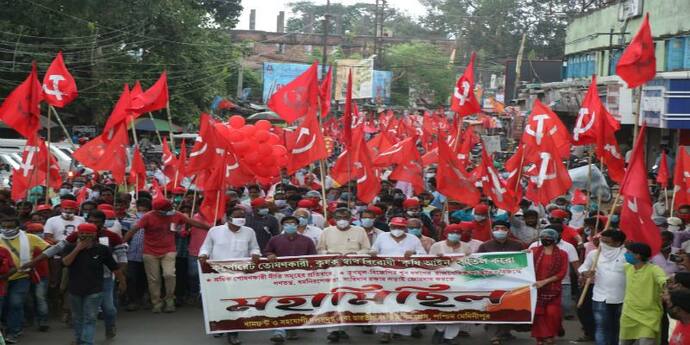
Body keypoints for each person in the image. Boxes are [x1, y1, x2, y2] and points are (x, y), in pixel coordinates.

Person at [123, 198, 210, 313]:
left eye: (170, 208)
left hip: (169, 249)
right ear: (157, 210)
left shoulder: (176, 214)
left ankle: (169, 300)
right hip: (150, 251)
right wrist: (122, 242)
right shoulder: (148, 216)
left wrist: (212, 228)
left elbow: (193, 222)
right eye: (166, 209)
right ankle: (156, 303)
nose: (170, 211)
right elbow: (133, 230)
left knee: (169, 274)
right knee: (154, 279)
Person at [198, 206, 261, 345]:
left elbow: (254, 247)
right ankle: (220, 323)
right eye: (238, 216)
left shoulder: (249, 232)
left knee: (235, 302)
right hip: (217, 273)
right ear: (228, 217)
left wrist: (255, 254)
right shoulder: (215, 231)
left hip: (240, 274)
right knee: (218, 301)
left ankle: (233, 332)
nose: (241, 219)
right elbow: (206, 247)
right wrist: (203, 255)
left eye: (243, 216)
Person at [61, 223, 126, 345]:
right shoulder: (70, 247)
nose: (85, 235)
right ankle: (79, 340)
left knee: (90, 318)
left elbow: (114, 267)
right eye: (82, 233)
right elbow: (65, 263)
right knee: (77, 318)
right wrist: (78, 249)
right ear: (78, 234)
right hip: (75, 289)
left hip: (94, 289)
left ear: (94, 234)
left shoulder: (102, 249)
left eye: (88, 233)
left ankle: (87, 342)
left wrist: (122, 282)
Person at [317, 207, 371, 343]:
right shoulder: (326, 231)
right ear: (334, 219)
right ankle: (333, 330)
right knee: (332, 299)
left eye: (345, 218)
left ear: (350, 219)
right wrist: (327, 254)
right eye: (339, 218)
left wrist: (356, 254)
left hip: (353, 271)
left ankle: (344, 328)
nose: (342, 220)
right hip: (332, 271)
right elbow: (319, 250)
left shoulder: (359, 231)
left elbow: (366, 249)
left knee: (349, 298)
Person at [370, 217, 426, 343]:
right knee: (385, 303)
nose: (397, 229)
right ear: (389, 226)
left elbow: (423, 256)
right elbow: (374, 250)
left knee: (403, 302)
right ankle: (385, 332)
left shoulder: (413, 239)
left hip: (406, 277)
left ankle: (399, 331)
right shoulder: (382, 237)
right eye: (394, 227)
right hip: (385, 276)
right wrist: (372, 253)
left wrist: (414, 254)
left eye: (400, 227)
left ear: (405, 228)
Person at [264, 216, 317, 344]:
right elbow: (267, 252)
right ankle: (279, 331)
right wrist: (269, 255)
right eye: (287, 223)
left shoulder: (307, 240)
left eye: (293, 223)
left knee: (298, 303)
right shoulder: (275, 239)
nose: (290, 225)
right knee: (279, 303)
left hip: (301, 278)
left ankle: (293, 327)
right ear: (283, 226)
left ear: (297, 225)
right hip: (281, 277)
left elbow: (314, 258)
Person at [0, 209, 50, 344]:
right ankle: (7, 326)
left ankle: (13, 331)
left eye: (10, 227)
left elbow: (50, 249)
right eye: (3, 227)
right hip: (2, 280)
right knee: (3, 306)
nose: (6, 229)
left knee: (15, 304)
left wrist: (34, 261)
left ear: (17, 227)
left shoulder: (30, 238)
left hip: (21, 278)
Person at [477, 220, 524, 345]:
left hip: (511, 283)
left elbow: (523, 263)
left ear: (508, 231)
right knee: (493, 308)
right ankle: (494, 336)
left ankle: (504, 332)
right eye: (496, 228)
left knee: (508, 309)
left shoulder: (517, 245)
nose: (500, 231)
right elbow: (477, 264)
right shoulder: (485, 246)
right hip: (491, 283)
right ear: (492, 230)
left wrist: (527, 255)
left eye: (503, 228)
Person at [578, 230, 627, 345]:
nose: (602, 244)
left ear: (617, 243)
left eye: (606, 242)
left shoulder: (626, 254)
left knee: (617, 327)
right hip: (600, 297)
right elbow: (583, 267)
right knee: (601, 326)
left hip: (622, 298)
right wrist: (585, 273)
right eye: (601, 240)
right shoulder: (594, 254)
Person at [429, 223, 473, 344]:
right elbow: (428, 265)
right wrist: (438, 260)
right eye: (452, 233)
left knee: (458, 309)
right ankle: (439, 330)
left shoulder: (466, 247)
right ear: (445, 234)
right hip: (441, 283)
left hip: (461, 283)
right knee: (442, 308)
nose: (455, 235)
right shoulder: (437, 246)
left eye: (457, 233)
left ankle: (450, 337)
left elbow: (470, 264)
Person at [620, 242, 668, 345]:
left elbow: (663, 281)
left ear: (637, 255)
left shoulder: (654, 269)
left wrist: (666, 289)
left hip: (648, 316)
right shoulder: (627, 267)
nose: (626, 254)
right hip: (628, 314)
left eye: (628, 252)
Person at [530, 228, 569, 345]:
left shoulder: (562, 254)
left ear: (555, 240)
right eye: (543, 238)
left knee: (552, 313)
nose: (545, 240)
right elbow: (523, 264)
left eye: (548, 239)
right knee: (538, 314)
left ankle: (552, 332)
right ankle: (541, 337)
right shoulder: (533, 251)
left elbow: (561, 273)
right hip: (536, 288)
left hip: (553, 289)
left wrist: (545, 281)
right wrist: (523, 255)